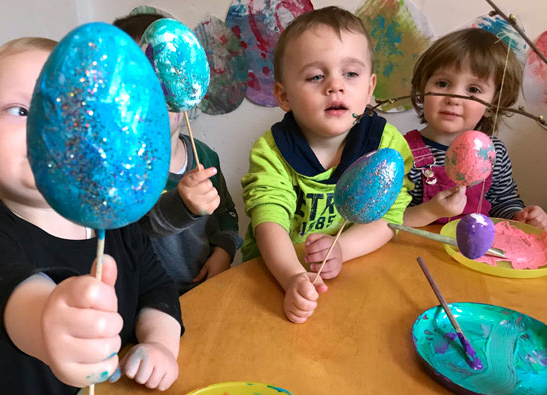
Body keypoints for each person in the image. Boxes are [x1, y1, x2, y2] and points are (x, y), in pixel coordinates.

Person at [0, 37, 182, 395]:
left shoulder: (115, 225)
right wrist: (46, 319)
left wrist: (161, 344)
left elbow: (158, 290)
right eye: (21, 111)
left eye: (71, 111)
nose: (48, 128)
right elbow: (6, 293)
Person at [241, 7, 413, 324]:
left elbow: (389, 218)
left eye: (350, 74)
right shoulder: (272, 151)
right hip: (275, 277)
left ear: (370, 86)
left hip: (353, 267)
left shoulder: (386, 147)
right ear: (284, 96)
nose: (335, 85)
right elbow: (269, 219)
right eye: (316, 76)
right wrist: (293, 277)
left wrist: (343, 250)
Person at [113, 13, 242, 294]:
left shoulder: (204, 158)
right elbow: (129, 234)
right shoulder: (118, 171)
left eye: (161, 85)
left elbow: (226, 213)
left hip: (205, 290)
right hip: (146, 304)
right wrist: (181, 206)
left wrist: (224, 250)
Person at [403, 28, 547, 230]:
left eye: (473, 90)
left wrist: (520, 216)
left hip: (471, 257)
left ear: (493, 104)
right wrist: (431, 210)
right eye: (442, 83)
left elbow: (502, 200)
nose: (453, 98)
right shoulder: (401, 151)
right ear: (422, 90)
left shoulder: (494, 153)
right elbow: (387, 220)